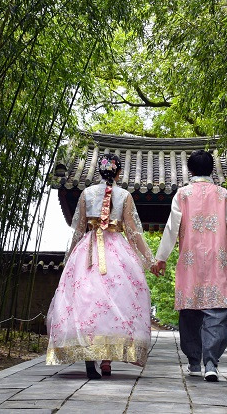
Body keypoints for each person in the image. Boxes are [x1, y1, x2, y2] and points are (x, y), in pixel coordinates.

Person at [46, 153, 154, 379]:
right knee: (115, 301)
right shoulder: (124, 195)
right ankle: (106, 360)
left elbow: (78, 229)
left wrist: (69, 256)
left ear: (100, 171)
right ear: (118, 172)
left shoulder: (87, 193)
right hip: (117, 251)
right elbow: (133, 232)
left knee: (86, 299)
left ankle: (89, 352)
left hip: (89, 250)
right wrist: (148, 259)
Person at [151, 149, 227, 382]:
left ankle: (194, 362)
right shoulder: (222, 194)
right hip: (217, 257)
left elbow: (172, 227)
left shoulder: (182, 194)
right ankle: (211, 363)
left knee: (190, 310)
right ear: (212, 169)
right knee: (217, 310)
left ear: (190, 170)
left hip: (191, 259)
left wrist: (161, 257)